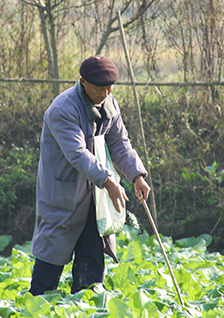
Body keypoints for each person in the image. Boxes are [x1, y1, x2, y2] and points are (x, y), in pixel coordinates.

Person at [30, 55, 151, 295]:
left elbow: (119, 144)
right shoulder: (62, 109)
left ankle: (86, 313)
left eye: (110, 87)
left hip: (96, 198)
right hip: (63, 194)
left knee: (92, 261)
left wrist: (137, 175)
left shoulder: (109, 103)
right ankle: (36, 309)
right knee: (50, 260)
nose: (106, 93)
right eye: (100, 88)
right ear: (83, 82)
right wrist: (108, 181)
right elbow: (78, 154)